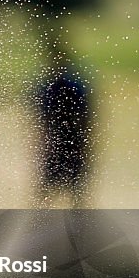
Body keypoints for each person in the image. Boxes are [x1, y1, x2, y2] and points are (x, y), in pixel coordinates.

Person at [33, 39, 93, 207]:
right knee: (51, 188)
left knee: (74, 189)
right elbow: (40, 119)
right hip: (58, 141)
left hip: (71, 140)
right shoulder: (52, 86)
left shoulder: (67, 86)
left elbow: (86, 116)